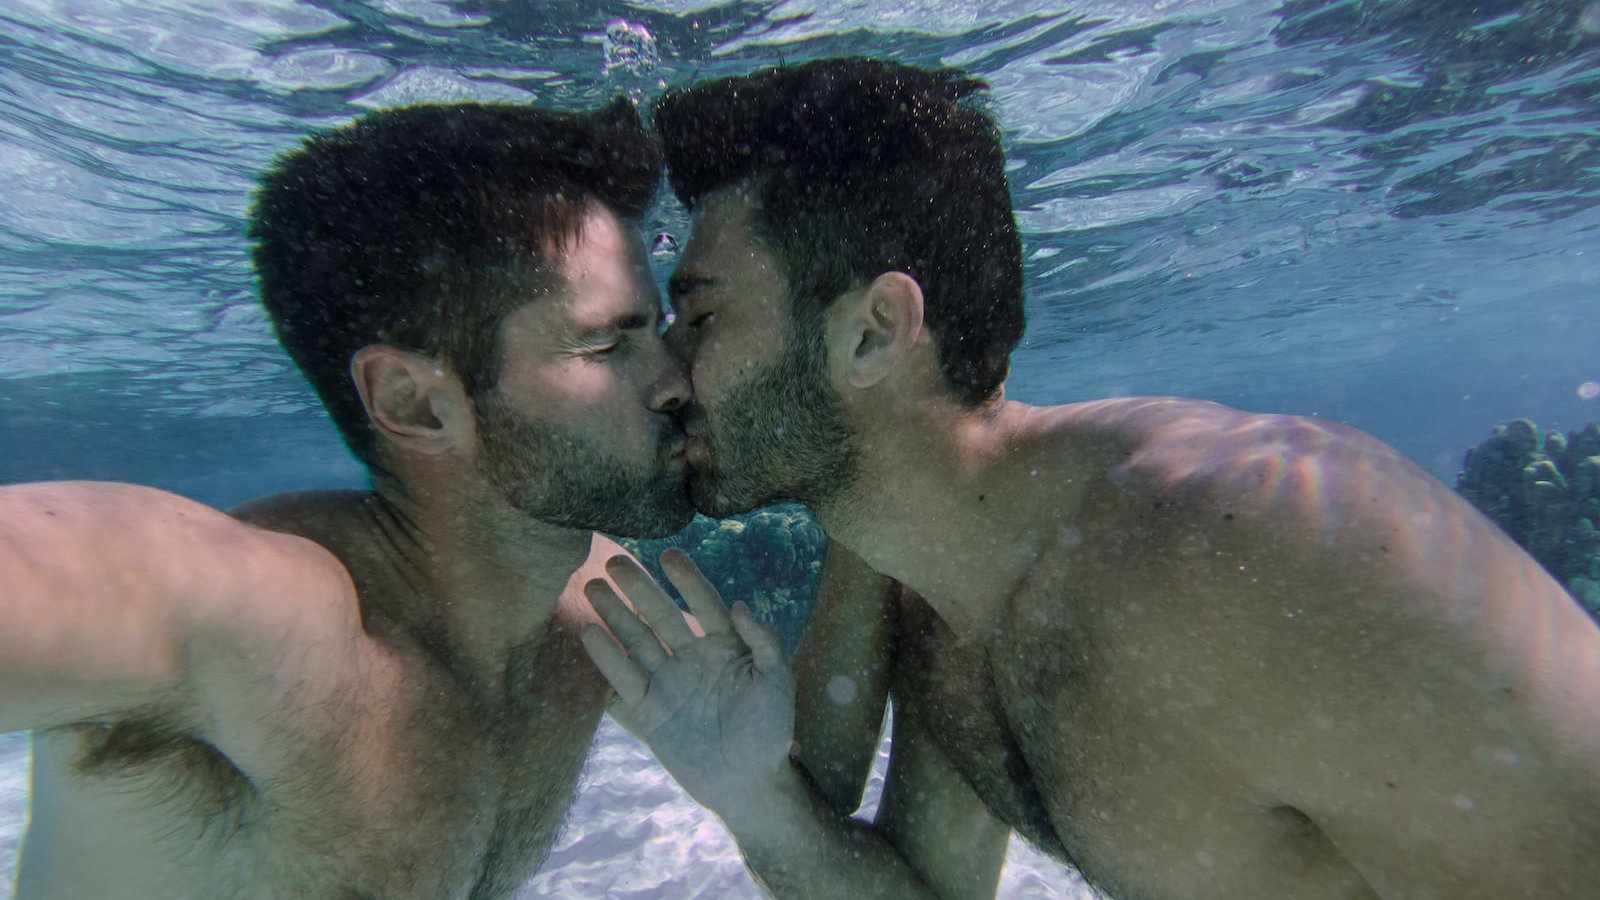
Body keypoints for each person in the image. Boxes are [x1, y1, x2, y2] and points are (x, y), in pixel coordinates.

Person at [581, 59, 1600, 900]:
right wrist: (747, 793)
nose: (666, 369)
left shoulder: (1268, 544)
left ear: (874, 331)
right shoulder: (942, 581)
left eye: (701, 315)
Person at [0, 98, 693, 899]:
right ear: (415, 404)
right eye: (611, 342)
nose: (676, 378)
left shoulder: (596, 605)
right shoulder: (250, 616)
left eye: (663, 328)